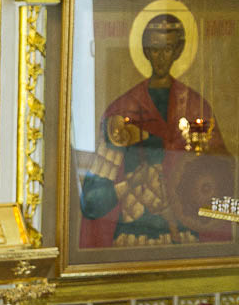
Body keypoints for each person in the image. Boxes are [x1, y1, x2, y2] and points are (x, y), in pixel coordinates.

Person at [79, 13, 230, 248]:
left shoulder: (195, 106)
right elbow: (92, 202)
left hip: (187, 238)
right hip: (134, 238)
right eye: (155, 49)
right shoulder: (122, 109)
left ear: (178, 51)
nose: (160, 57)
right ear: (146, 51)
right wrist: (130, 183)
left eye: (167, 49)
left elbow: (222, 175)